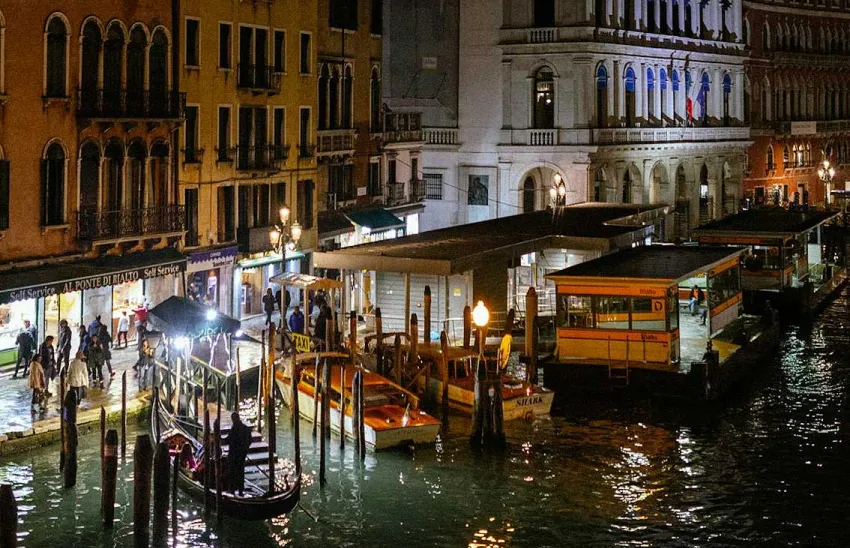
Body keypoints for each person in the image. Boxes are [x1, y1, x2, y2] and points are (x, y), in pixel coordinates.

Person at [224, 412, 253, 495]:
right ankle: (240, 491)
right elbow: (250, 440)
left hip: (234, 455)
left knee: (232, 472)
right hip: (241, 455)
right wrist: (245, 449)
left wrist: (219, 439)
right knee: (240, 472)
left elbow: (228, 440)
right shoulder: (245, 428)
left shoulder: (234, 429)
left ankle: (232, 490)